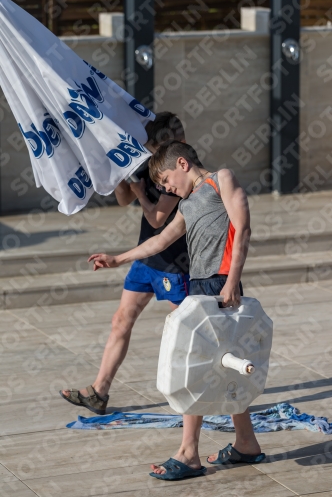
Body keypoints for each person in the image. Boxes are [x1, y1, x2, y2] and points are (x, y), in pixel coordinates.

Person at [88, 141, 266, 480]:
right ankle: (246, 443)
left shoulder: (221, 179)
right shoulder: (186, 204)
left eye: (167, 180)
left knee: (194, 367)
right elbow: (160, 240)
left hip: (220, 285)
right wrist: (118, 258)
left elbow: (242, 228)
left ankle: (188, 453)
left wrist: (232, 282)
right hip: (199, 286)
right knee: (222, 365)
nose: (166, 189)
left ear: (182, 163)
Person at [60, 113, 190, 415]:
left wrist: (139, 194)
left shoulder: (182, 172)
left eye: (158, 147)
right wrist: (122, 175)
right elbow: (122, 199)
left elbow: (157, 217)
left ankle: (203, 389)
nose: (153, 154)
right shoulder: (151, 164)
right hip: (145, 259)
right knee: (121, 320)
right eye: (151, 148)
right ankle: (99, 392)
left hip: (175, 265)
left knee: (186, 331)